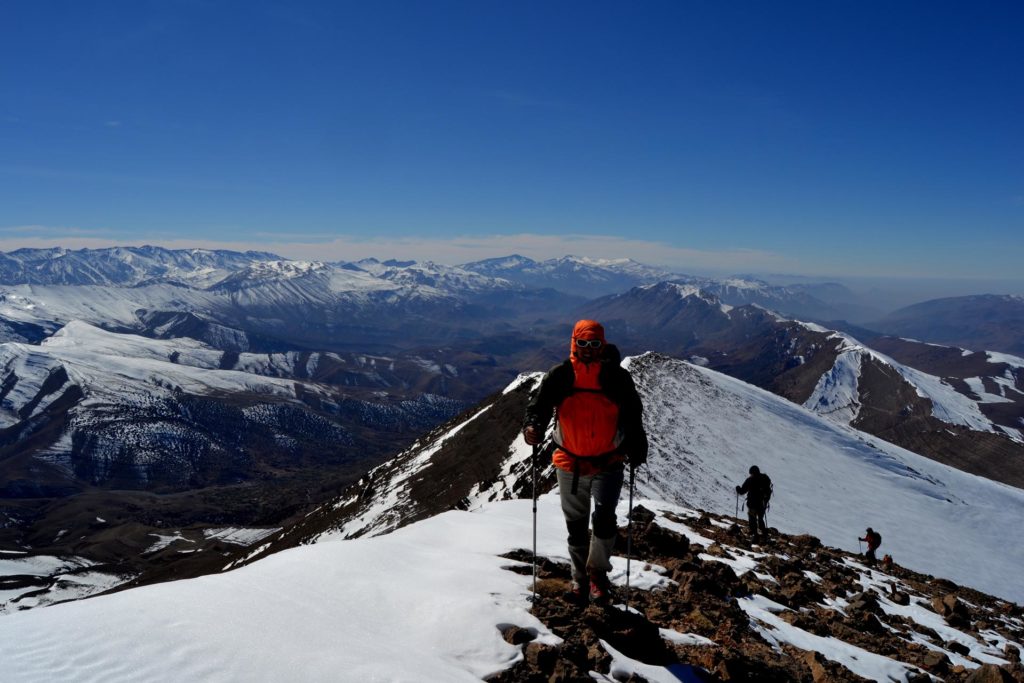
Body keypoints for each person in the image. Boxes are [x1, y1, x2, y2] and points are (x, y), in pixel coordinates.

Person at [523, 319, 648, 604]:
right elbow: (539, 407)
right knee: (576, 527)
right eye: (583, 344)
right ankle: (580, 581)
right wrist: (532, 427)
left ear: (602, 344)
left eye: (594, 344)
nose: (588, 349)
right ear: (573, 343)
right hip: (570, 462)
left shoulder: (616, 378)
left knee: (604, 521)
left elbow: (632, 415)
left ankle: (597, 578)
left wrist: (637, 445)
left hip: (608, 461)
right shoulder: (562, 375)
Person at [735, 466, 772, 542]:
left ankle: (755, 536)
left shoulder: (750, 480)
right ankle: (764, 535)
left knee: (752, 519)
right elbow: (768, 491)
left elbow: (742, 491)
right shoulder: (764, 478)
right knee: (760, 519)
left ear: (752, 473)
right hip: (762, 504)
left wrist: (738, 488)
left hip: (752, 503)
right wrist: (765, 501)